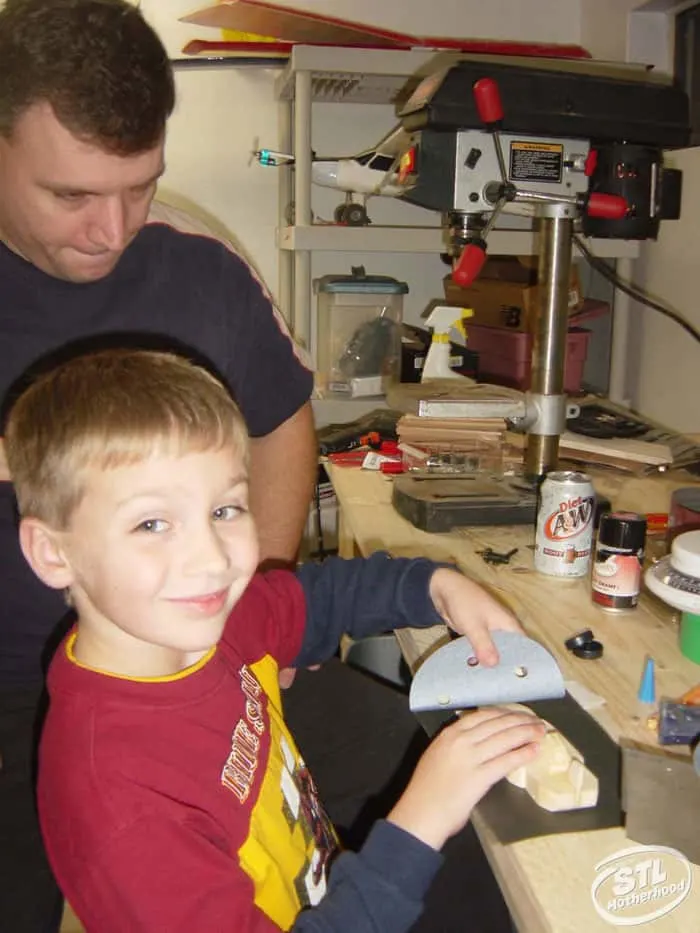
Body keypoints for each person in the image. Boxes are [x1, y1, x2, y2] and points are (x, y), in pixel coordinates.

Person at [4, 348, 545, 933]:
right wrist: (420, 822)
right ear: (53, 552)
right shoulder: (120, 806)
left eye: (225, 509)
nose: (211, 559)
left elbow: (314, 600)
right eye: (152, 524)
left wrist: (434, 586)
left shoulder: (200, 624)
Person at [0, 1, 316, 929]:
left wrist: (254, 598)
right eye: (71, 195)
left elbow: (281, 420)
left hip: (190, 682)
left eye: (139, 186)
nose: (113, 229)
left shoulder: (200, 268)